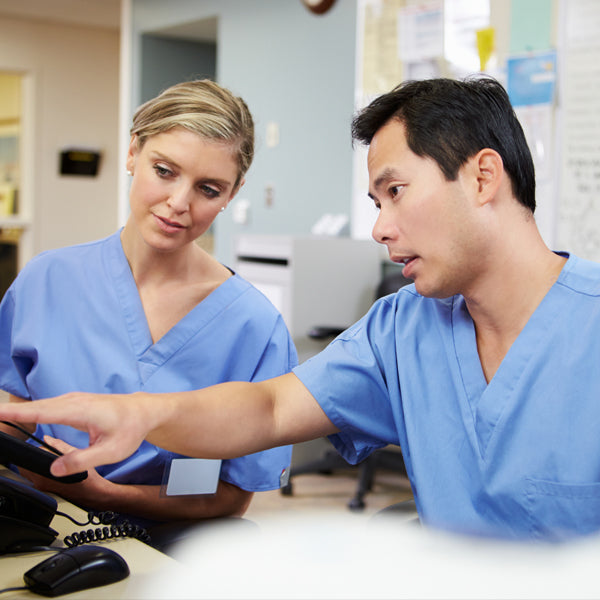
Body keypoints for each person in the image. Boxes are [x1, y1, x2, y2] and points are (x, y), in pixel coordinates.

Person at [1, 76, 598, 541]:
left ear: (482, 176)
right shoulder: (403, 327)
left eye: (395, 192)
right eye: (375, 201)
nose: (379, 229)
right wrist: (142, 413)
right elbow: (268, 406)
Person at [0, 80, 296, 531]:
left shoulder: (253, 326)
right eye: (164, 170)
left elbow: (231, 496)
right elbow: (11, 426)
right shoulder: (47, 280)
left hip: (172, 542)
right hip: (37, 523)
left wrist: (103, 495)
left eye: (209, 189)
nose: (179, 203)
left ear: (231, 195)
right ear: (133, 152)